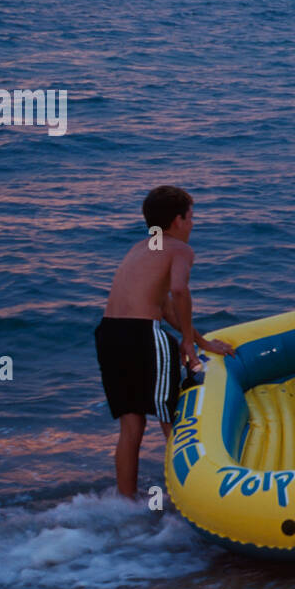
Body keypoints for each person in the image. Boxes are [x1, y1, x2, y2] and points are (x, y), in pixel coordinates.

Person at [95, 185, 234, 498]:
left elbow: (164, 305)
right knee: (173, 419)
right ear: (176, 221)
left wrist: (198, 340)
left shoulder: (140, 248)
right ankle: (194, 499)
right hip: (143, 336)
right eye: (191, 217)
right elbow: (179, 291)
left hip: (109, 334)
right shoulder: (179, 249)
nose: (193, 224)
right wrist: (187, 342)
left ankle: (125, 505)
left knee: (132, 428)